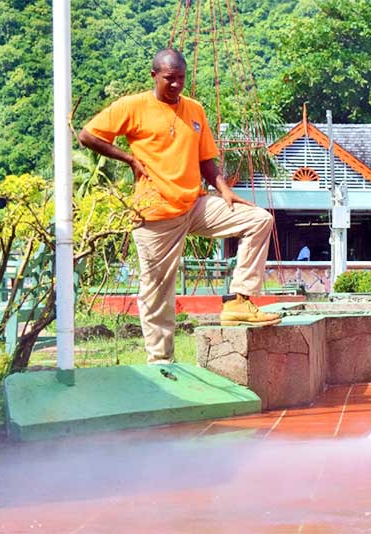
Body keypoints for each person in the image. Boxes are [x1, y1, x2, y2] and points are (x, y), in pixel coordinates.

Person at [79, 48, 280, 365]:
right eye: (170, 79)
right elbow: (87, 135)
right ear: (154, 75)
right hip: (155, 214)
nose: (176, 86)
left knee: (258, 219)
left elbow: (206, 160)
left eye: (181, 79)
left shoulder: (195, 110)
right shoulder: (133, 106)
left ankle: (238, 301)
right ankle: (161, 362)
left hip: (195, 204)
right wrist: (129, 158)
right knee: (158, 292)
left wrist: (225, 190)